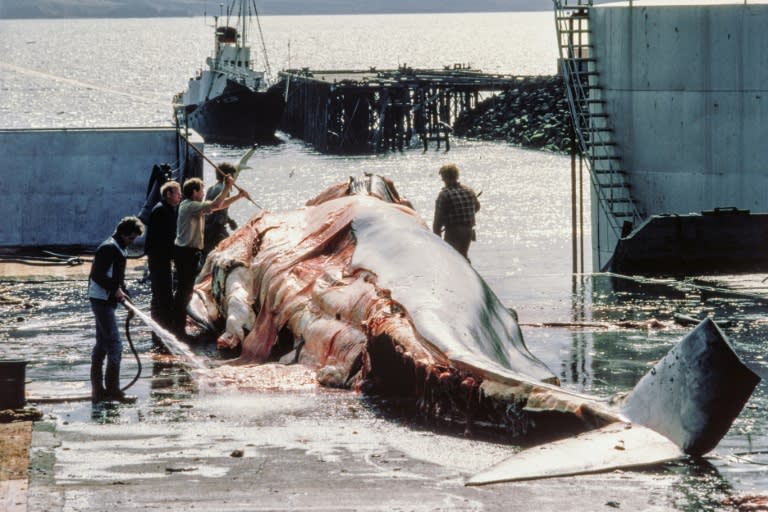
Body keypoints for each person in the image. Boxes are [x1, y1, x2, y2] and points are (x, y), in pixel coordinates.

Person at [173, 175, 249, 336]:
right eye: (201, 190)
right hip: (185, 252)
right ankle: (177, 326)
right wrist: (228, 186)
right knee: (184, 289)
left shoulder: (192, 205)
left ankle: (178, 322)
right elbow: (216, 203)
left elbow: (217, 207)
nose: (203, 192)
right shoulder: (190, 206)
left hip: (189, 252)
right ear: (194, 192)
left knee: (186, 288)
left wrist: (238, 196)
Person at [88, 216, 144, 403]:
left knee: (102, 345)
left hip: (106, 299)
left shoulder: (120, 248)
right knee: (115, 345)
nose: (132, 241)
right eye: (131, 238)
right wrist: (116, 290)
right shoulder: (108, 247)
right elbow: (97, 275)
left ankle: (99, 391)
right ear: (122, 233)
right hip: (100, 299)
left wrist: (126, 297)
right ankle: (112, 391)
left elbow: (118, 280)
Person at [145, 180, 182, 348]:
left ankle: (160, 333)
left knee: (160, 296)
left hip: (162, 258)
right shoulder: (161, 211)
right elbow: (165, 238)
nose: (180, 196)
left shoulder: (168, 210)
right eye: (177, 193)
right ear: (168, 194)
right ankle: (165, 335)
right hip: (159, 259)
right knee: (163, 296)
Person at [432, 163, 481, 261]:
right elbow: (477, 207)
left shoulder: (444, 195)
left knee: (451, 260)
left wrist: (436, 238)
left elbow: (438, 221)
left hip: (453, 231)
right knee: (463, 256)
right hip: (468, 230)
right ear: (456, 176)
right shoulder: (469, 191)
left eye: (442, 177)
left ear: (444, 177)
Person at [203, 163, 239, 258]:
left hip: (207, 227)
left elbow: (215, 208)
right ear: (228, 176)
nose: (234, 178)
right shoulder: (223, 190)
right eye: (233, 175)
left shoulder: (211, 188)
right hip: (215, 230)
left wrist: (229, 220)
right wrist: (221, 231)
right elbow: (219, 210)